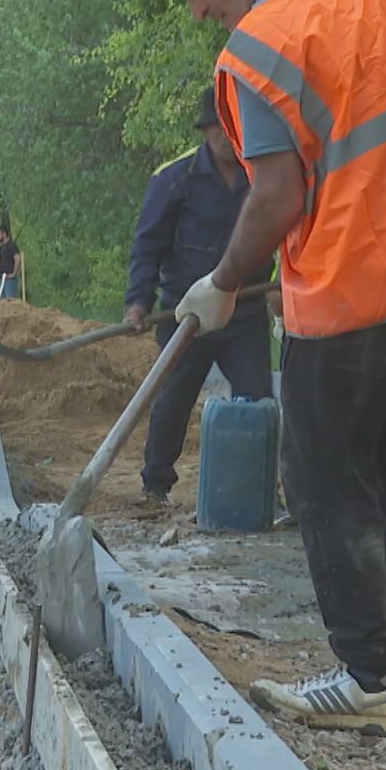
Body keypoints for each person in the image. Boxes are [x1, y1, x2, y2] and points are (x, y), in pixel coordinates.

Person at [137, 0, 386, 735]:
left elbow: (276, 197)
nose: (196, 10)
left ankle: (368, 676)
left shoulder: (255, 51)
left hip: (350, 289)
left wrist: (221, 282)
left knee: (326, 478)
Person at [125, 84, 274, 505]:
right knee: (172, 399)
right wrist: (139, 301)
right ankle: (156, 486)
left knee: (259, 400)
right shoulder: (174, 180)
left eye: (235, 129)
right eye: (220, 130)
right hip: (185, 314)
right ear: (207, 130)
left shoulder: (262, 178)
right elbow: (147, 246)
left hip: (243, 311)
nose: (228, 139)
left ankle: (263, 489)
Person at [0, 226, 23, 300]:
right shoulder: (1, 248)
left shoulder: (11, 246)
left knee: (10, 300)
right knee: (2, 301)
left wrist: (13, 274)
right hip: (2, 278)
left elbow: (18, 259)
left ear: (4, 234)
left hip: (10, 279)